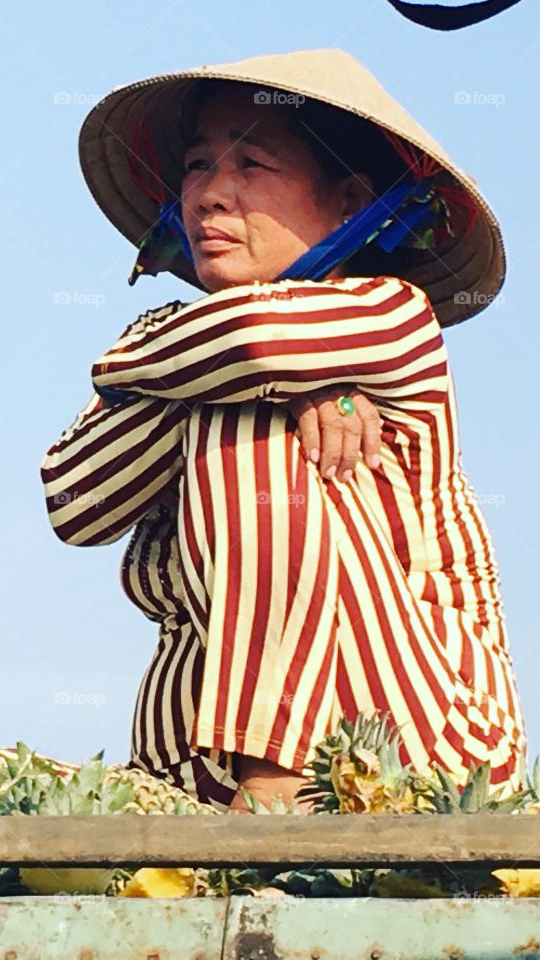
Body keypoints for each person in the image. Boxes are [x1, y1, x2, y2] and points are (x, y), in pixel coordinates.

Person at [41, 49, 526, 812]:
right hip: (190, 782)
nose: (209, 195)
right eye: (197, 166)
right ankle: (246, 790)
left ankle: (275, 772)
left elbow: (256, 343)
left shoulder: (393, 317)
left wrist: (197, 375)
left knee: (246, 427)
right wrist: (251, 379)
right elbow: (74, 498)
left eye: (252, 165)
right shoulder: (172, 343)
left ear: (348, 201)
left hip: (417, 752)